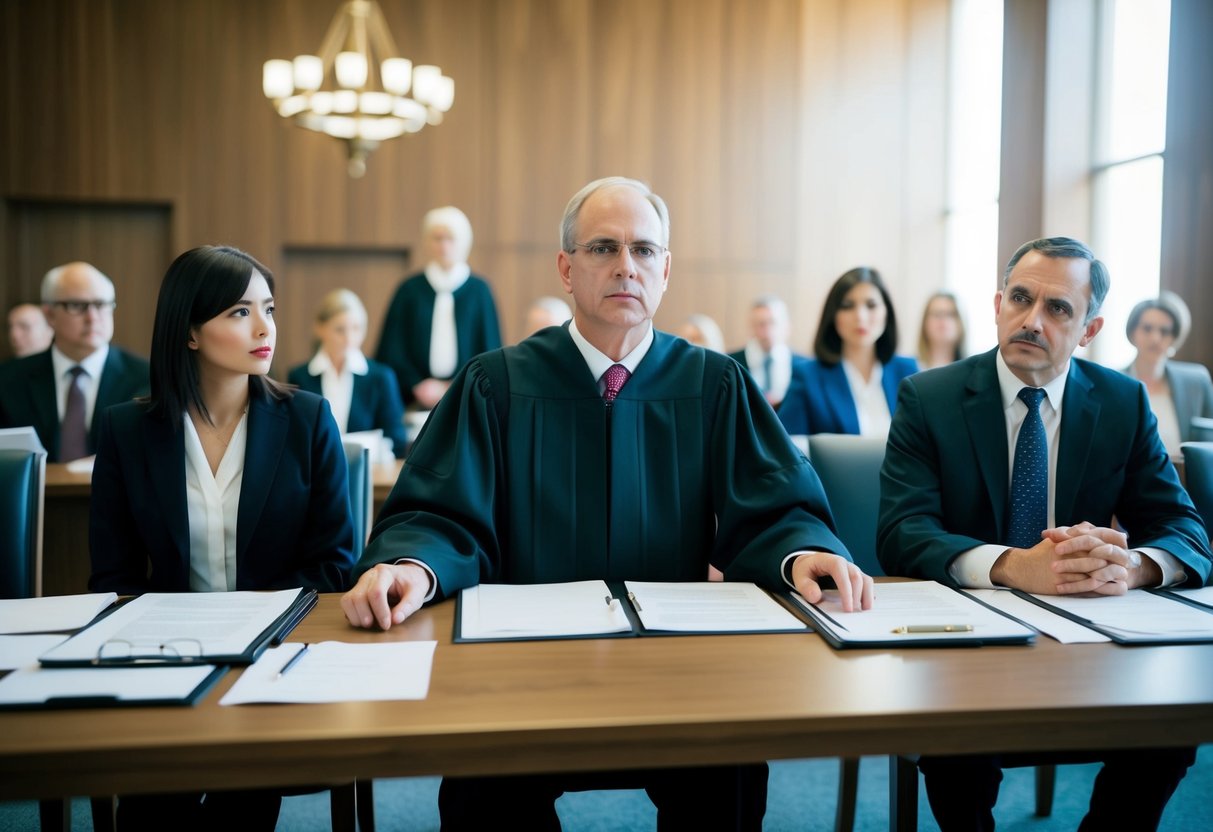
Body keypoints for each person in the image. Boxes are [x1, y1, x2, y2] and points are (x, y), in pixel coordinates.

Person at [341, 176, 873, 830]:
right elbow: (438, 514)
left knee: (730, 771)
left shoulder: (712, 383)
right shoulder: (495, 383)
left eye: (644, 250)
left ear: (666, 268)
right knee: (485, 790)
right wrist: (410, 565)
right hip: (521, 669)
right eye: (602, 248)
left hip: (679, 666)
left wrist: (802, 554)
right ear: (566, 268)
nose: (626, 266)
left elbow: (774, 506)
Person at [877, 236, 1211, 832]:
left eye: (1058, 309)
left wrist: (1134, 566)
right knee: (959, 747)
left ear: (1090, 328)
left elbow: (1184, 527)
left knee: (1170, 727)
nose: (1033, 320)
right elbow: (902, 532)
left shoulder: (1124, 402)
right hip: (967, 641)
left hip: (1093, 642)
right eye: (1022, 299)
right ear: (999, 302)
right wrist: (1013, 565)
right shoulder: (929, 397)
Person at [88, 245, 356, 830]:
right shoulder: (127, 430)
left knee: (242, 801)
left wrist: (254, 638)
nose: (266, 329)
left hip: (273, 659)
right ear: (189, 332)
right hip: (162, 661)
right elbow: (113, 578)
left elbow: (333, 566)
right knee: (153, 806)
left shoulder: (308, 420)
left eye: (270, 309)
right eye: (240, 313)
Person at [0, 262, 149, 461]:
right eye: (77, 306)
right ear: (49, 314)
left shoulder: (147, 377)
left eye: (101, 305)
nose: (93, 317)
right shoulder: (9, 379)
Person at [375, 206, 502, 409]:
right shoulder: (409, 289)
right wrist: (416, 384)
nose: (444, 246)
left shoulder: (480, 291)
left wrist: (455, 385)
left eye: (451, 238)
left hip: (466, 398)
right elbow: (392, 348)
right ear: (426, 242)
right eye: (437, 238)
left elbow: (490, 349)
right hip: (414, 399)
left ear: (464, 242)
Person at [778, 267, 918, 437]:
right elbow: (787, 448)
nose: (860, 316)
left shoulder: (908, 371)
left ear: (886, 311)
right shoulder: (808, 376)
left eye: (871, 305)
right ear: (833, 315)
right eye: (847, 306)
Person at [287, 288, 409, 459]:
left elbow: (396, 440)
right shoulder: (299, 377)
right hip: (314, 477)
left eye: (356, 328)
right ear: (320, 328)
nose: (350, 337)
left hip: (368, 474)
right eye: (340, 329)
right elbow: (293, 437)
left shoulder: (381, 377)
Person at [1123, 291, 1213, 456]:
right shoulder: (1114, 382)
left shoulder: (1196, 382)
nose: (1155, 338)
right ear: (1132, 332)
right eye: (1147, 328)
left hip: (1184, 478)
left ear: (1174, 337)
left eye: (1164, 331)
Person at [727, 295, 808, 410]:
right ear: (751, 327)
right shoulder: (731, 363)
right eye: (761, 324)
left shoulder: (805, 366)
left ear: (787, 326)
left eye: (773, 322)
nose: (767, 330)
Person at [916, 290, 966, 369]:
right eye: (937, 314)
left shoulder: (971, 371)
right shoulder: (910, 369)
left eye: (950, 314)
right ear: (924, 322)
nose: (943, 320)